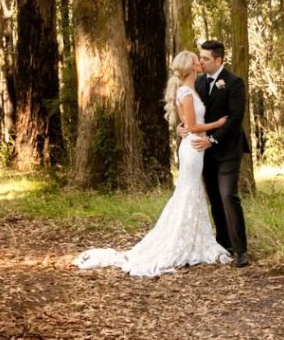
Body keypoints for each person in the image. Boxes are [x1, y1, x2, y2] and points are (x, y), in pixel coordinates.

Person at [72, 51, 232, 277]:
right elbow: (193, 126)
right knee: (187, 191)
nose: (200, 61)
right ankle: (178, 239)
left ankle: (193, 238)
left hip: (193, 146)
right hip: (194, 147)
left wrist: (182, 128)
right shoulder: (185, 92)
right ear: (190, 66)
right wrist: (217, 123)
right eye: (197, 59)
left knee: (192, 191)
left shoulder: (190, 89)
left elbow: (184, 124)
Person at [186, 39, 250, 268]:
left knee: (228, 196)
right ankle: (223, 244)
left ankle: (241, 250)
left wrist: (212, 140)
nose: (200, 61)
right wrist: (183, 127)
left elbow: (234, 119)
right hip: (205, 153)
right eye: (200, 57)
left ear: (218, 60)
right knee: (214, 198)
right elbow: (192, 113)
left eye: (204, 58)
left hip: (228, 149)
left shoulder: (234, 83)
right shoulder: (199, 82)